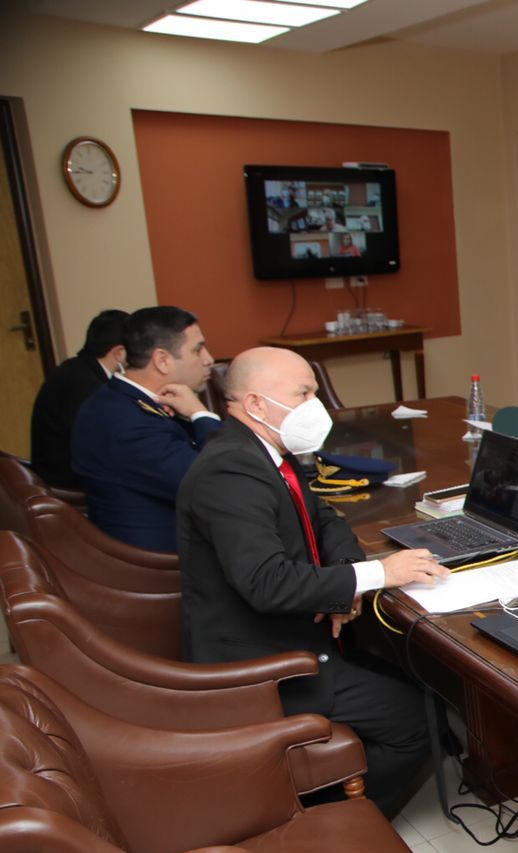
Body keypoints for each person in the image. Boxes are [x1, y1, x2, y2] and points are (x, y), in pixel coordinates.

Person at [175, 347, 450, 818]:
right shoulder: (230, 470)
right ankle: (325, 820)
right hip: (263, 664)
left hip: (299, 632)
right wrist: (379, 573)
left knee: (421, 678)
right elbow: (267, 582)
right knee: (423, 722)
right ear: (257, 404)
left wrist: (345, 584)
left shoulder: (266, 452)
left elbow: (326, 518)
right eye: (302, 393)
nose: (314, 405)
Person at [71, 305, 220, 552]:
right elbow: (215, 483)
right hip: (162, 565)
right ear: (162, 361)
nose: (209, 359)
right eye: (197, 349)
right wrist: (201, 414)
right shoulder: (128, 422)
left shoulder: (117, 400)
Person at [28, 309, 129, 489]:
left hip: (57, 472)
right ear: (119, 353)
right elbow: (101, 449)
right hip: (66, 483)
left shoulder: (76, 368)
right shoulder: (87, 387)